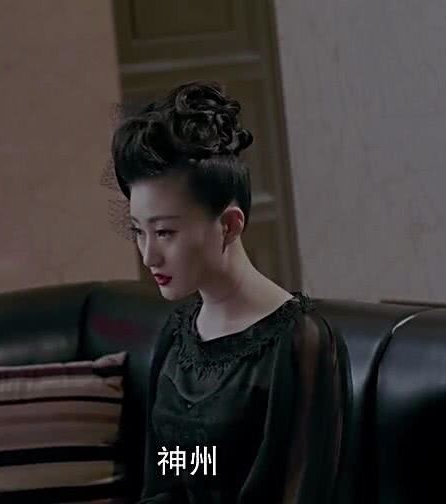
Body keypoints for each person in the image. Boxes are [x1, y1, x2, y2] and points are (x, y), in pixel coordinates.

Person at [109, 80, 348, 503]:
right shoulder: (177, 335)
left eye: (164, 232)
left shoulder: (300, 342)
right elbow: (167, 476)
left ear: (230, 225)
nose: (148, 256)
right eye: (138, 232)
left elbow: (302, 490)